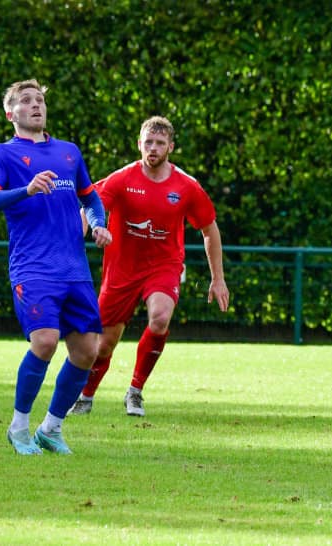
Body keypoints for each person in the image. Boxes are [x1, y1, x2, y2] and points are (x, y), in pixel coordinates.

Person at [0, 79, 113, 455]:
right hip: (32, 267)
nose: (35, 105)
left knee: (87, 351)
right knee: (46, 341)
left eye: (39, 99)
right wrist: (27, 189)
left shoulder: (69, 152)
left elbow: (90, 198)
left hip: (74, 269)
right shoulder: (2, 154)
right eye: (25, 100)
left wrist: (98, 225)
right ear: (11, 113)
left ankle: (51, 428)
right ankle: (18, 427)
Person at [69, 116, 229, 417]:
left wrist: (217, 279)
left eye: (160, 143)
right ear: (139, 144)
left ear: (171, 147)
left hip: (163, 267)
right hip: (121, 270)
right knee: (103, 346)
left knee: (160, 317)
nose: (153, 148)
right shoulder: (122, 179)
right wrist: (88, 230)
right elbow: (90, 205)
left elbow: (210, 229)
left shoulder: (186, 186)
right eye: (148, 142)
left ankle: (135, 391)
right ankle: (86, 396)